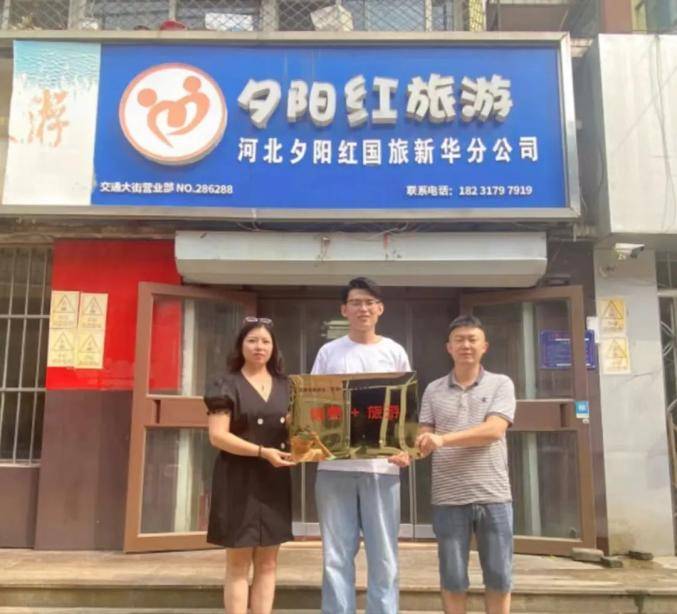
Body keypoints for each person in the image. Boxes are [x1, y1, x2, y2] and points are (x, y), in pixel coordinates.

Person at [311, 276, 411, 614]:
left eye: (369, 302)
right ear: (344, 310)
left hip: (382, 470)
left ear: (380, 309)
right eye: (355, 302)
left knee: (384, 556)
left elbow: (404, 408)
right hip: (334, 468)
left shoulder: (394, 351)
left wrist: (404, 447)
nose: (362, 308)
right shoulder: (328, 352)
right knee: (335, 555)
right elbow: (314, 404)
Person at [417, 314, 516, 614]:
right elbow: (424, 436)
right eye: (459, 340)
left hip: (493, 494)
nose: (466, 345)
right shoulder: (433, 390)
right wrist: (409, 450)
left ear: (485, 346)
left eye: (472, 339)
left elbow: (494, 430)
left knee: (499, 576)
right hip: (448, 496)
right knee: (452, 577)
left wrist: (442, 440)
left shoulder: (501, 384)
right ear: (448, 347)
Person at [204, 317, 295, 614]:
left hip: (274, 479)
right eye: (252, 340)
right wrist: (261, 451)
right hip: (237, 479)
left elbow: (296, 429)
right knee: (238, 563)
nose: (259, 347)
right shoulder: (225, 384)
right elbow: (218, 436)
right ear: (241, 345)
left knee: (268, 562)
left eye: (266, 341)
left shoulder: (287, 386)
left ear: (274, 347)